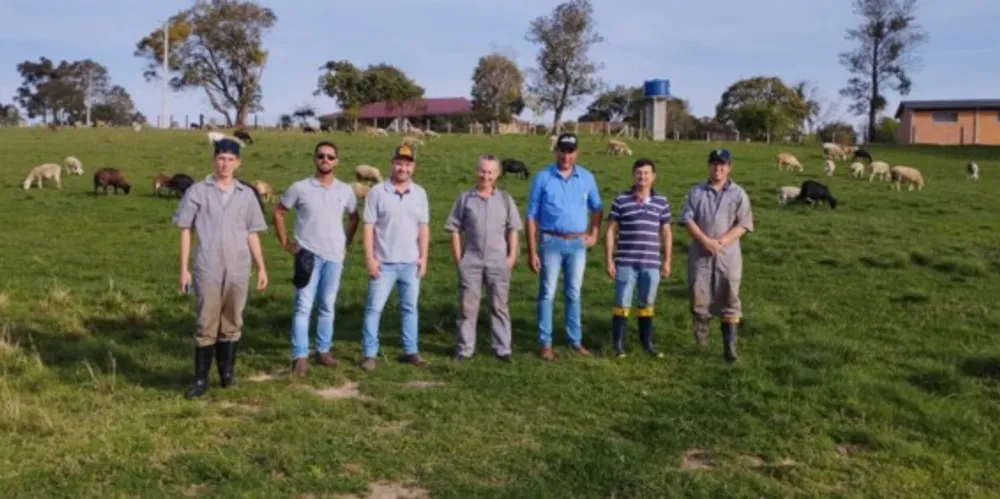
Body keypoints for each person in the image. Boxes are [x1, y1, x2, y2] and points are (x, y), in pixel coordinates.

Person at [173, 138, 269, 399]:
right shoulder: (197, 191)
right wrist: (184, 269)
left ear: (238, 163)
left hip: (239, 267)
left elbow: (252, 234)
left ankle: (227, 375)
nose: (225, 164)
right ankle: (201, 379)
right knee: (206, 321)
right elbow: (185, 229)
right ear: (214, 160)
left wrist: (261, 267)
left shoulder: (246, 194)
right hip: (208, 266)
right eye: (221, 158)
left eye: (230, 159)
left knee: (233, 320)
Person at [272, 141, 359, 376]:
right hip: (307, 255)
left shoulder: (345, 190)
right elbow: (279, 211)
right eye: (321, 156)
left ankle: (323, 349)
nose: (326, 160)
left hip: (334, 256)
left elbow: (353, 217)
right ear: (314, 159)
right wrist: (285, 242)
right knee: (303, 305)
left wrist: (346, 242)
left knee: (327, 305)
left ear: (337, 162)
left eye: (331, 157)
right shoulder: (300, 187)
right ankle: (300, 355)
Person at [525, 132, 603, 361]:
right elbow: (531, 216)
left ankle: (574, 340)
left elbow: (597, 207)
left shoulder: (587, 177)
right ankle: (545, 342)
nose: (566, 156)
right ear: (556, 151)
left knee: (574, 293)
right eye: (562, 151)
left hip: (578, 243)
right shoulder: (543, 177)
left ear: (576, 153)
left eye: (570, 151)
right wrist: (531, 250)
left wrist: (595, 234)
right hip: (551, 241)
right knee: (547, 293)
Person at [444, 154, 522, 363]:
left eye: (490, 172)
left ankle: (502, 349)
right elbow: (453, 228)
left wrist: (511, 257)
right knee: (467, 306)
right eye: (482, 171)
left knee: (499, 305)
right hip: (471, 260)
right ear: (476, 171)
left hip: (499, 261)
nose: (485, 176)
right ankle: (465, 349)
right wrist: (458, 258)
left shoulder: (505, 200)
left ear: (496, 175)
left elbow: (513, 229)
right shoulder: (465, 199)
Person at [678, 148, 754, 362]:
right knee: (698, 292)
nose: (718, 168)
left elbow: (744, 224)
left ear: (729, 167)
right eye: (714, 163)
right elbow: (687, 219)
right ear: (708, 166)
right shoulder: (696, 192)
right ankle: (700, 343)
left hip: (728, 254)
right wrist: (705, 241)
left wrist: (720, 242)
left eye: (722, 164)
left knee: (729, 293)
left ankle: (729, 349)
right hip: (700, 252)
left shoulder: (738, 193)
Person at [360, 143, 430, 371]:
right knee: (374, 308)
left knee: (410, 308)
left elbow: (423, 227)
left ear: (414, 167)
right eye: (399, 163)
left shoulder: (420, 193)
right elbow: (368, 227)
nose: (403, 168)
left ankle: (410, 350)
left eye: (408, 164)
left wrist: (424, 257)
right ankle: (370, 353)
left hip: (410, 262)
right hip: (384, 263)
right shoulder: (377, 192)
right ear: (392, 164)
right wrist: (370, 258)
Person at [604, 158, 672, 358]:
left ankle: (647, 344)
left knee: (646, 303)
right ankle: (617, 345)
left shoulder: (662, 202)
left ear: (653, 177)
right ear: (633, 175)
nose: (642, 177)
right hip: (626, 261)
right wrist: (609, 259)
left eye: (646, 173)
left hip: (651, 263)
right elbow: (610, 230)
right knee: (621, 303)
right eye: (639, 173)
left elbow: (666, 232)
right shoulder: (621, 200)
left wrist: (667, 260)